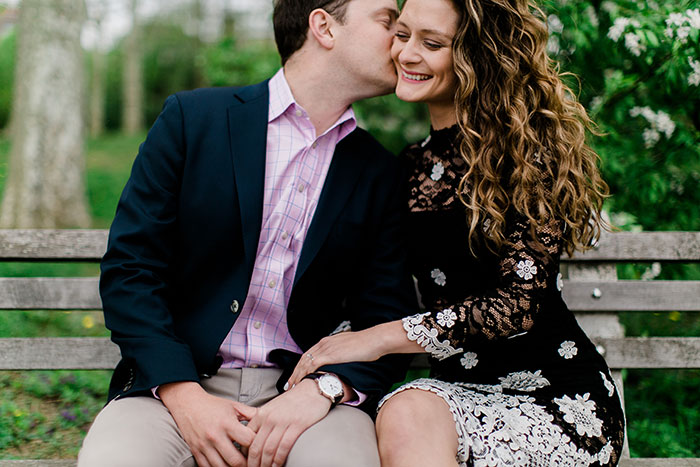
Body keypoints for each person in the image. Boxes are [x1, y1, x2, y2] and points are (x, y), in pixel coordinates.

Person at [77, 1, 419, 466]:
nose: (401, 39)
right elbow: (130, 270)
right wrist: (183, 394)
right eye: (387, 22)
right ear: (324, 27)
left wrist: (324, 389)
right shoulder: (192, 121)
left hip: (309, 401)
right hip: (171, 388)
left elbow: (386, 313)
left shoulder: (380, 172)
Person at [286, 0, 627, 465]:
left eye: (432, 43)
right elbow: (377, 290)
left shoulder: (526, 157)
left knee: (406, 410)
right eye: (401, 34)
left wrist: (379, 337)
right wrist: (320, 377)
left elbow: (517, 305)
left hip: (556, 400)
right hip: (451, 399)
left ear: (475, 56)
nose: (407, 54)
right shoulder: (407, 168)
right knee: (407, 411)